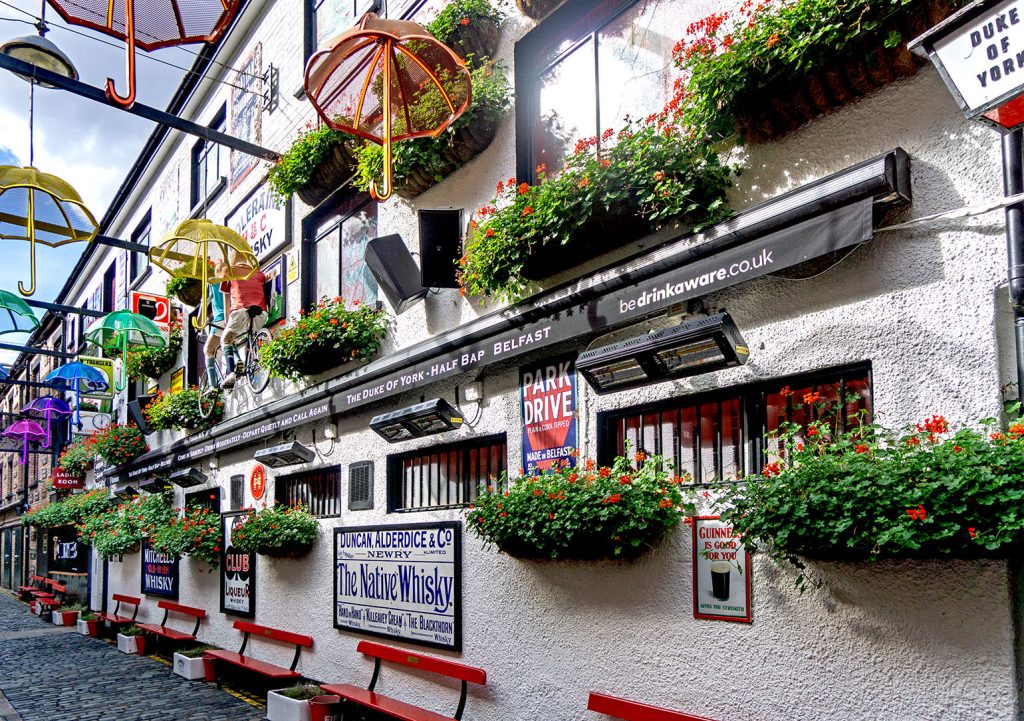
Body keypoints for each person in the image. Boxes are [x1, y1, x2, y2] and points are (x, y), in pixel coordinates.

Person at [217, 252, 267, 389]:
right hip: (261, 312)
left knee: (226, 340)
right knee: (250, 334)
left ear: (232, 260)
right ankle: (251, 358)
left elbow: (226, 301)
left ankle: (231, 372)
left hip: (240, 310)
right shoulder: (259, 274)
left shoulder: (228, 271)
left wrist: (228, 322)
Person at [202, 278, 227, 388]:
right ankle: (237, 362)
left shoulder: (212, 282)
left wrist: (198, 324)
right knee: (228, 340)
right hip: (234, 316)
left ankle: (212, 386)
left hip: (220, 318)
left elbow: (204, 305)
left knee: (208, 349)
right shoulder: (231, 277)